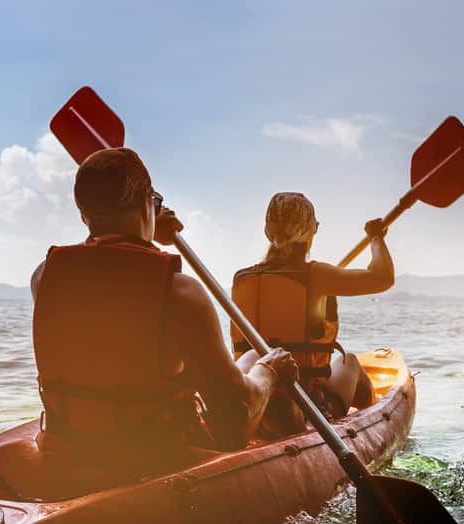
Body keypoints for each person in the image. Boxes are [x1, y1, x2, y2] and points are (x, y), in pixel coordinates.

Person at [29, 148, 297, 483]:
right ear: (148, 203)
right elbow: (234, 424)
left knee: (249, 359)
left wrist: (143, 225)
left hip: (69, 451)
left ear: (84, 215)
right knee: (261, 359)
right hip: (157, 463)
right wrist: (269, 373)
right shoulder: (180, 294)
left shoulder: (44, 278)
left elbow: (103, 269)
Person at [231, 192, 394, 436]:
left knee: (343, 362)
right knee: (350, 362)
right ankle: (376, 422)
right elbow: (382, 278)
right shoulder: (316, 276)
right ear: (312, 230)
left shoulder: (242, 278)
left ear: (268, 231)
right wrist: (376, 238)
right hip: (307, 407)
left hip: (255, 395)